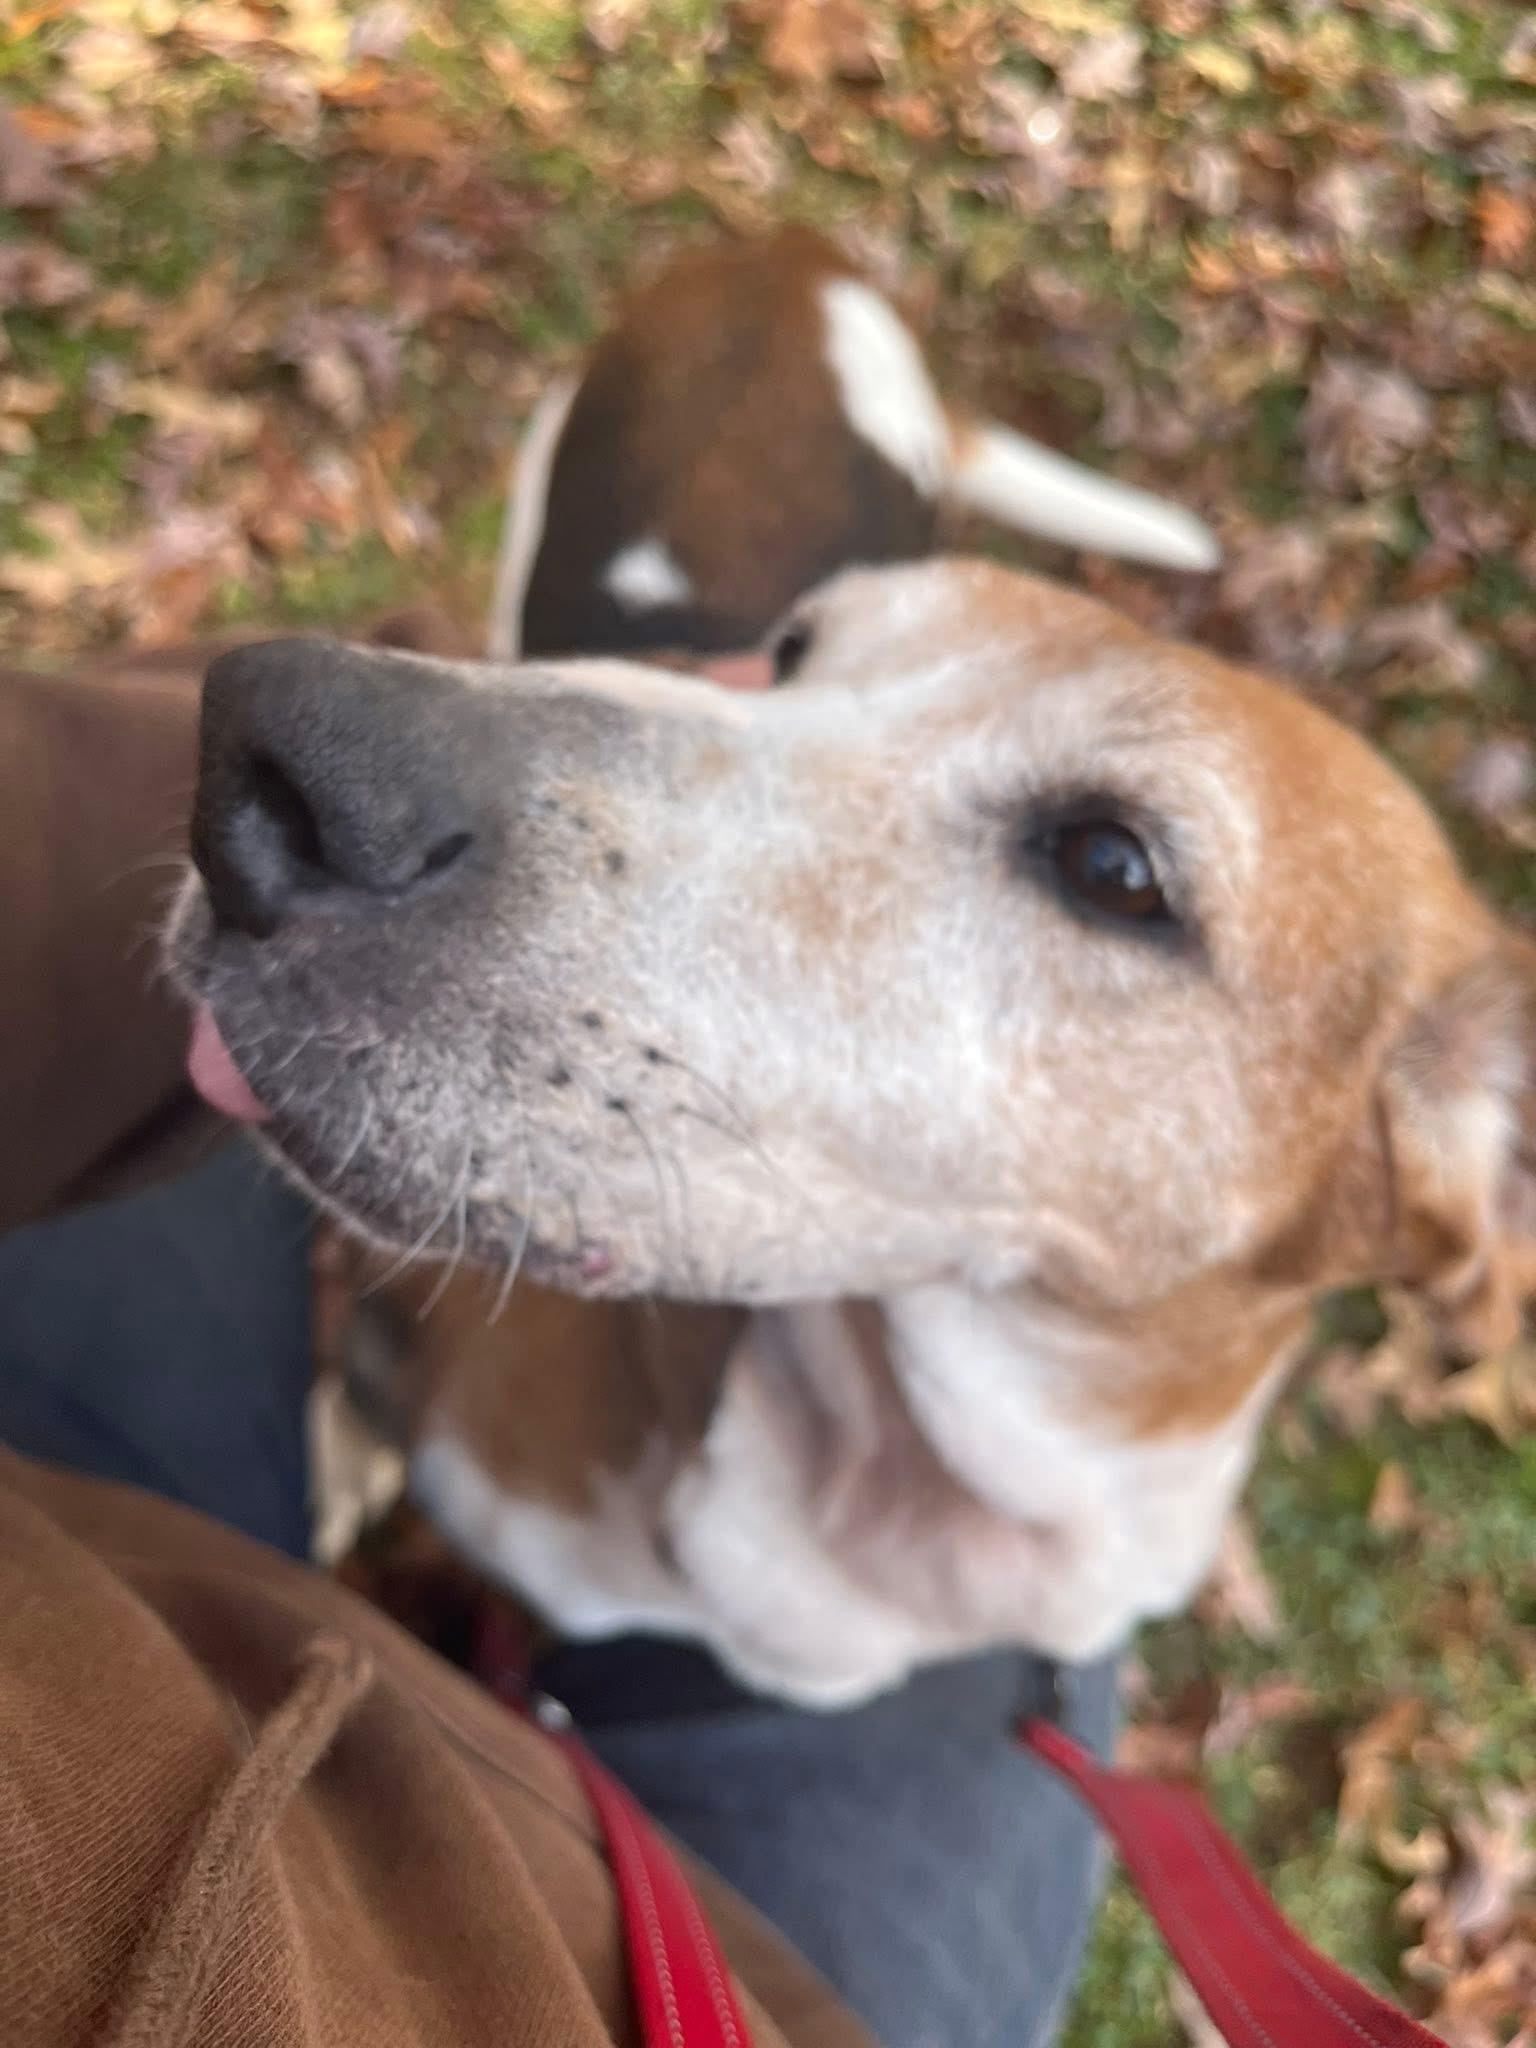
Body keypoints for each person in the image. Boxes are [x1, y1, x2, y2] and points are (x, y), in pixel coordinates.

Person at [0, 632, 1117, 2048]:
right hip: (681, 1980)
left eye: (1109, 873)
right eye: (804, 651)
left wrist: (176, 799)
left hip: (121, 1633)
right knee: (1024, 1687)